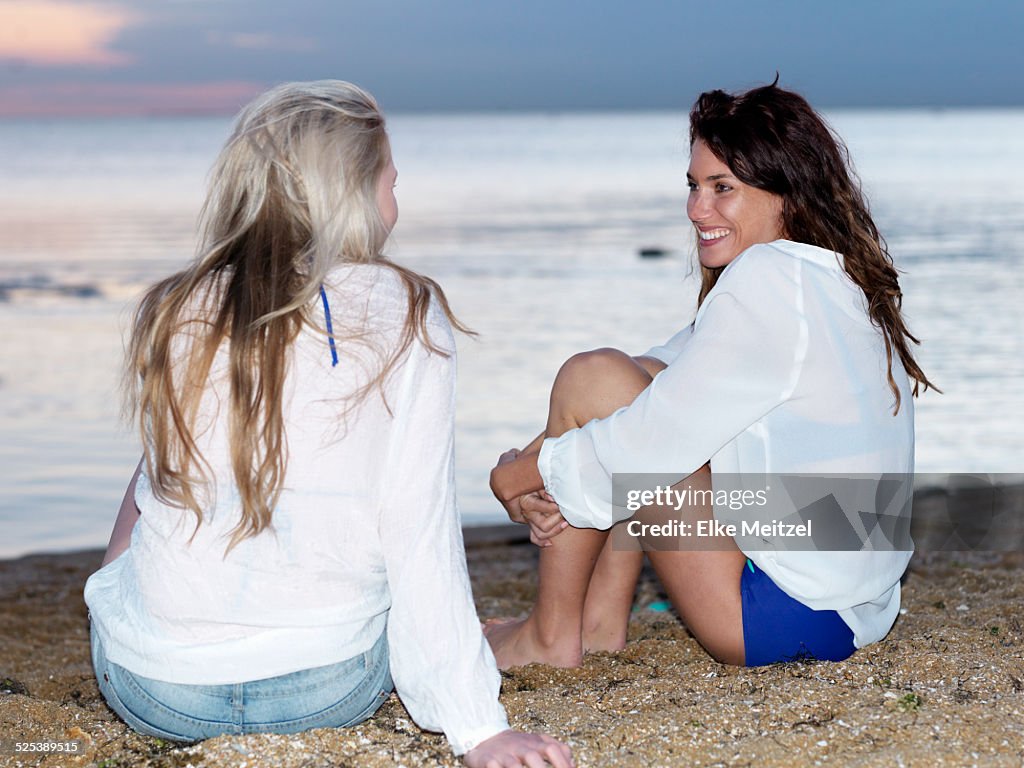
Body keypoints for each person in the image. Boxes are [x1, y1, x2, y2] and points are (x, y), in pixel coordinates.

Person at [83, 81, 573, 768]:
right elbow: (417, 524)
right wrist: (477, 728)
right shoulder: (407, 311)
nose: (396, 204)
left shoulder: (176, 305)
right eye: (390, 183)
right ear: (352, 191)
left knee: (155, 473)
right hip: (325, 689)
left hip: (157, 691)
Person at [485, 80, 936, 670]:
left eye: (723, 188)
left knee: (594, 382)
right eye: (695, 186)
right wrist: (544, 458)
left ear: (787, 194)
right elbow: (663, 372)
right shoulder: (827, 278)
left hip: (783, 616)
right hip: (853, 610)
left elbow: (646, 435)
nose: (698, 209)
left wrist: (517, 478)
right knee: (608, 390)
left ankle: (550, 639)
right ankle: (593, 625)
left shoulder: (769, 281)